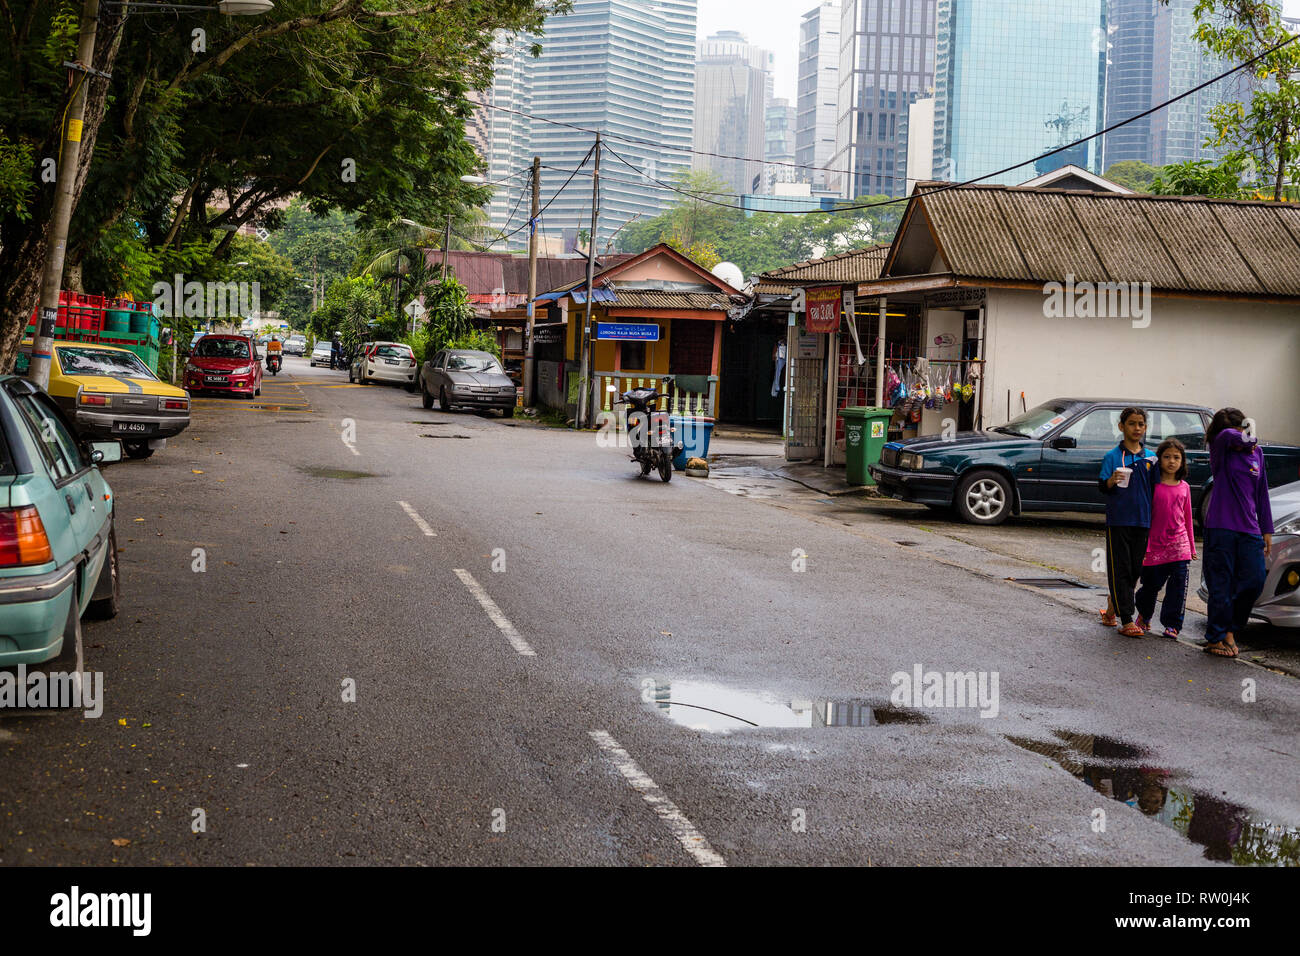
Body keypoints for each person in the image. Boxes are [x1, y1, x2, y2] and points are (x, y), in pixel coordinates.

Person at [1202, 408, 1273, 658]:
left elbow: (1262, 494)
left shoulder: (1258, 455)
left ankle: (1231, 629)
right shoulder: (1221, 449)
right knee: (1220, 585)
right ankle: (1216, 638)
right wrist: (1246, 434)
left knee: (1254, 582)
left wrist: (1267, 529)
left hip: (1249, 530)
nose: (1236, 435)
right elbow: (1231, 437)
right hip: (1221, 527)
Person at [1098, 406, 1156, 637]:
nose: (1137, 428)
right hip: (1119, 521)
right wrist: (1112, 479)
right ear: (1122, 427)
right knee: (1119, 568)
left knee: (1135, 569)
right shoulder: (1112, 457)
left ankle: (1113, 605)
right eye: (1132, 423)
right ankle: (1127, 619)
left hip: (1143, 521)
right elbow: (1102, 486)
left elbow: (1157, 490)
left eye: (1141, 424)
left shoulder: (1151, 457)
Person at [1134, 438, 1196, 638]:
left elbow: (1187, 518)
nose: (1171, 461)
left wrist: (1192, 548)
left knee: (1178, 587)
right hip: (1154, 546)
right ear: (1159, 460)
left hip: (1179, 546)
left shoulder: (1184, 487)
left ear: (1182, 461)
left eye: (1176, 457)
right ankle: (1144, 615)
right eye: (1167, 457)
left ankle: (1173, 624)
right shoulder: (1153, 486)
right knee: (1150, 586)